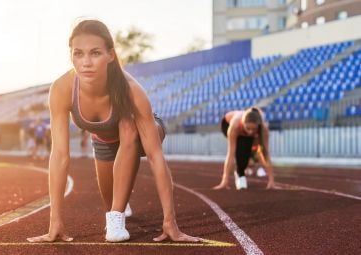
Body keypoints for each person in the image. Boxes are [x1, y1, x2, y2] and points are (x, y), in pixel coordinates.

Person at [27, 19, 200, 243]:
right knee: (110, 202)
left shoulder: (131, 90)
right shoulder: (62, 89)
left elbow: (156, 157)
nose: (86, 62)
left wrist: (170, 222)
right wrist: (55, 221)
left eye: (95, 53)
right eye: (78, 53)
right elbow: (59, 155)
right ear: (71, 55)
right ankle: (119, 204)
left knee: (128, 127)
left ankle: (117, 217)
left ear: (110, 54)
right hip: (104, 140)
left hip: (143, 132)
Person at [213, 107, 275, 190]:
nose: (250, 132)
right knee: (240, 151)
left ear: (258, 126)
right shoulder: (235, 126)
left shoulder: (263, 129)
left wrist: (271, 181)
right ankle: (240, 173)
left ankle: (242, 168)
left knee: (246, 155)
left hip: (244, 128)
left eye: (254, 129)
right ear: (243, 123)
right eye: (248, 128)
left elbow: (265, 154)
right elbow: (230, 154)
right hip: (226, 123)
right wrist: (225, 180)